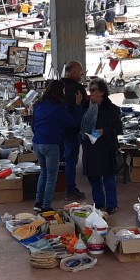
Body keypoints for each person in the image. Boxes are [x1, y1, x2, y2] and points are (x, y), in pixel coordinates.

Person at [32, 80, 83, 212]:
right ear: (60, 92)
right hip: (51, 144)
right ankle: (46, 206)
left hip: (37, 143)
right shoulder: (58, 108)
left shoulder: (38, 105)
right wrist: (78, 106)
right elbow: (73, 122)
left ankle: (38, 203)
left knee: (43, 173)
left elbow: (33, 125)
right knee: (51, 177)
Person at [81, 78, 123, 214]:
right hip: (91, 147)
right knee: (93, 178)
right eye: (90, 90)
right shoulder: (86, 107)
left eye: (94, 90)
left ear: (102, 92)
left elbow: (118, 128)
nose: (91, 93)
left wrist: (104, 131)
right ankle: (98, 202)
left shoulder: (112, 109)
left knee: (108, 178)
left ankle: (111, 204)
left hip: (106, 148)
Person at [62, 61, 89, 201]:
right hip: (72, 130)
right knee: (71, 161)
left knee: (58, 160)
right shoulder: (78, 89)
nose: (82, 73)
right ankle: (71, 189)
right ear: (72, 72)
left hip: (58, 130)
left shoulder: (58, 87)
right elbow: (84, 112)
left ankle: (57, 187)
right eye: (80, 71)